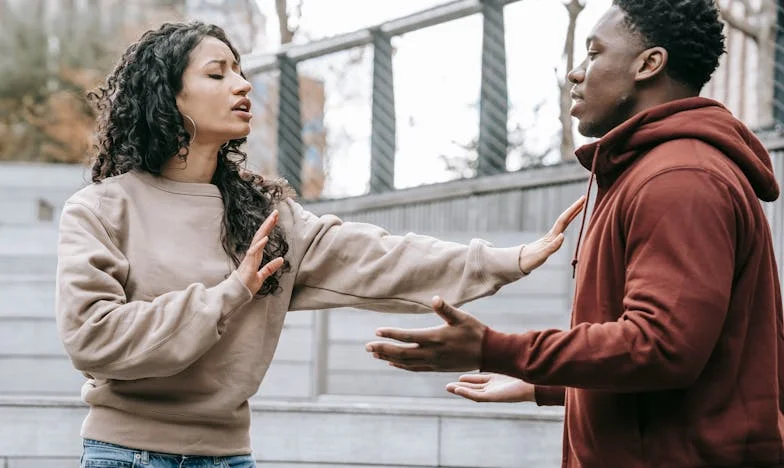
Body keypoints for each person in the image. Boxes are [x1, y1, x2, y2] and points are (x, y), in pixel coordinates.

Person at [54, 21, 584, 468]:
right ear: (167, 96)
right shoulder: (102, 209)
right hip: (125, 454)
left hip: (229, 456)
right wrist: (231, 292)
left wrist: (504, 260)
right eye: (218, 74)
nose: (242, 85)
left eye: (240, 71)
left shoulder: (265, 216)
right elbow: (92, 338)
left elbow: (375, 256)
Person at [366, 1, 784, 467]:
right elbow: (673, 358)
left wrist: (495, 350)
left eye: (593, 53)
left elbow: (662, 347)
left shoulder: (678, 179)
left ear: (648, 64)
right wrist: (547, 384)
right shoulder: (648, 170)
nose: (574, 73)